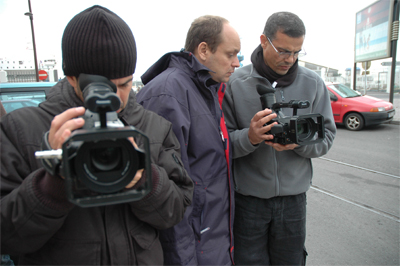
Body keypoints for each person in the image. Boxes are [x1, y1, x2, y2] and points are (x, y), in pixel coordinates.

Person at [0, 5, 193, 265]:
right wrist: (54, 182)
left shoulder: (153, 127)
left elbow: (176, 210)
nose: (116, 97)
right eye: (101, 87)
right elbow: (8, 237)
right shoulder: (22, 130)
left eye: (125, 84)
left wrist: (144, 177)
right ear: (71, 78)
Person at [222, 12, 336, 265]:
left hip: (294, 200)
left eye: (297, 52)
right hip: (248, 201)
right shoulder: (235, 83)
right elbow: (221, 142)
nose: (290, 59)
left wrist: (300, 144)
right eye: (283, 51)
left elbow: (327, 137)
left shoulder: (314, 83)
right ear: (264, 41)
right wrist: (249, 137)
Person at [136, 15, 241, 265]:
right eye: (231, 54)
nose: (237, 63)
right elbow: (164, 194)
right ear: (203, 50)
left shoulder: (206, 88)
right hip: (194, 248)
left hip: (211, 243)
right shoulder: (169, 94)